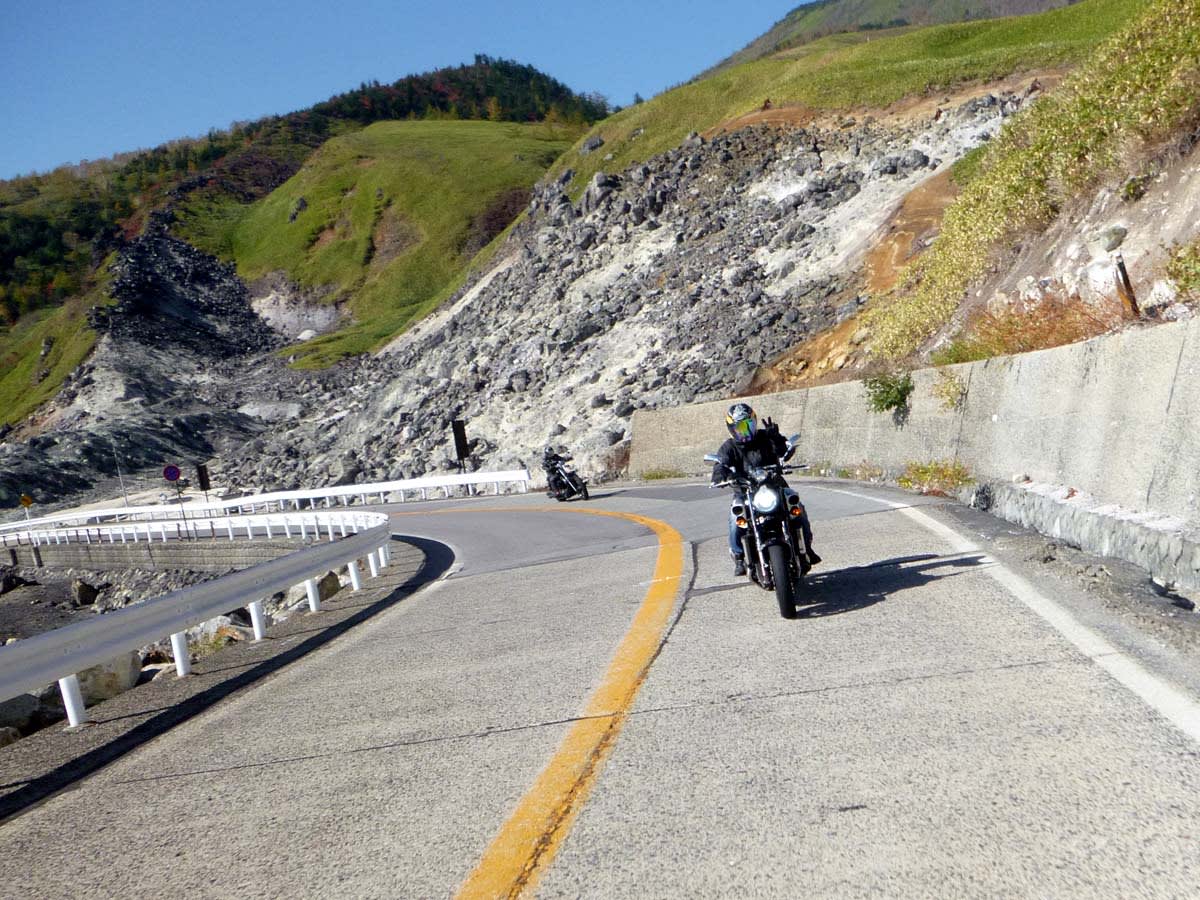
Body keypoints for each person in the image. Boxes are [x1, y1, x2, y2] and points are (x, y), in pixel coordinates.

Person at [710, 402, 819, 577]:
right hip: (745, 492)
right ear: (731, 428)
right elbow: (721, 463)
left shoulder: (765, 438)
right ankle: (739, 556)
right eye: (739, 427)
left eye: (748, 426)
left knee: (797, 508)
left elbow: (784, 452)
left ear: (754, 423)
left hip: (775, 486)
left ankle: (806, 548)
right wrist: (720, 476)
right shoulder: (729, 447)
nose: (744, 431)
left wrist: (776, 438)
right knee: (735, 515)